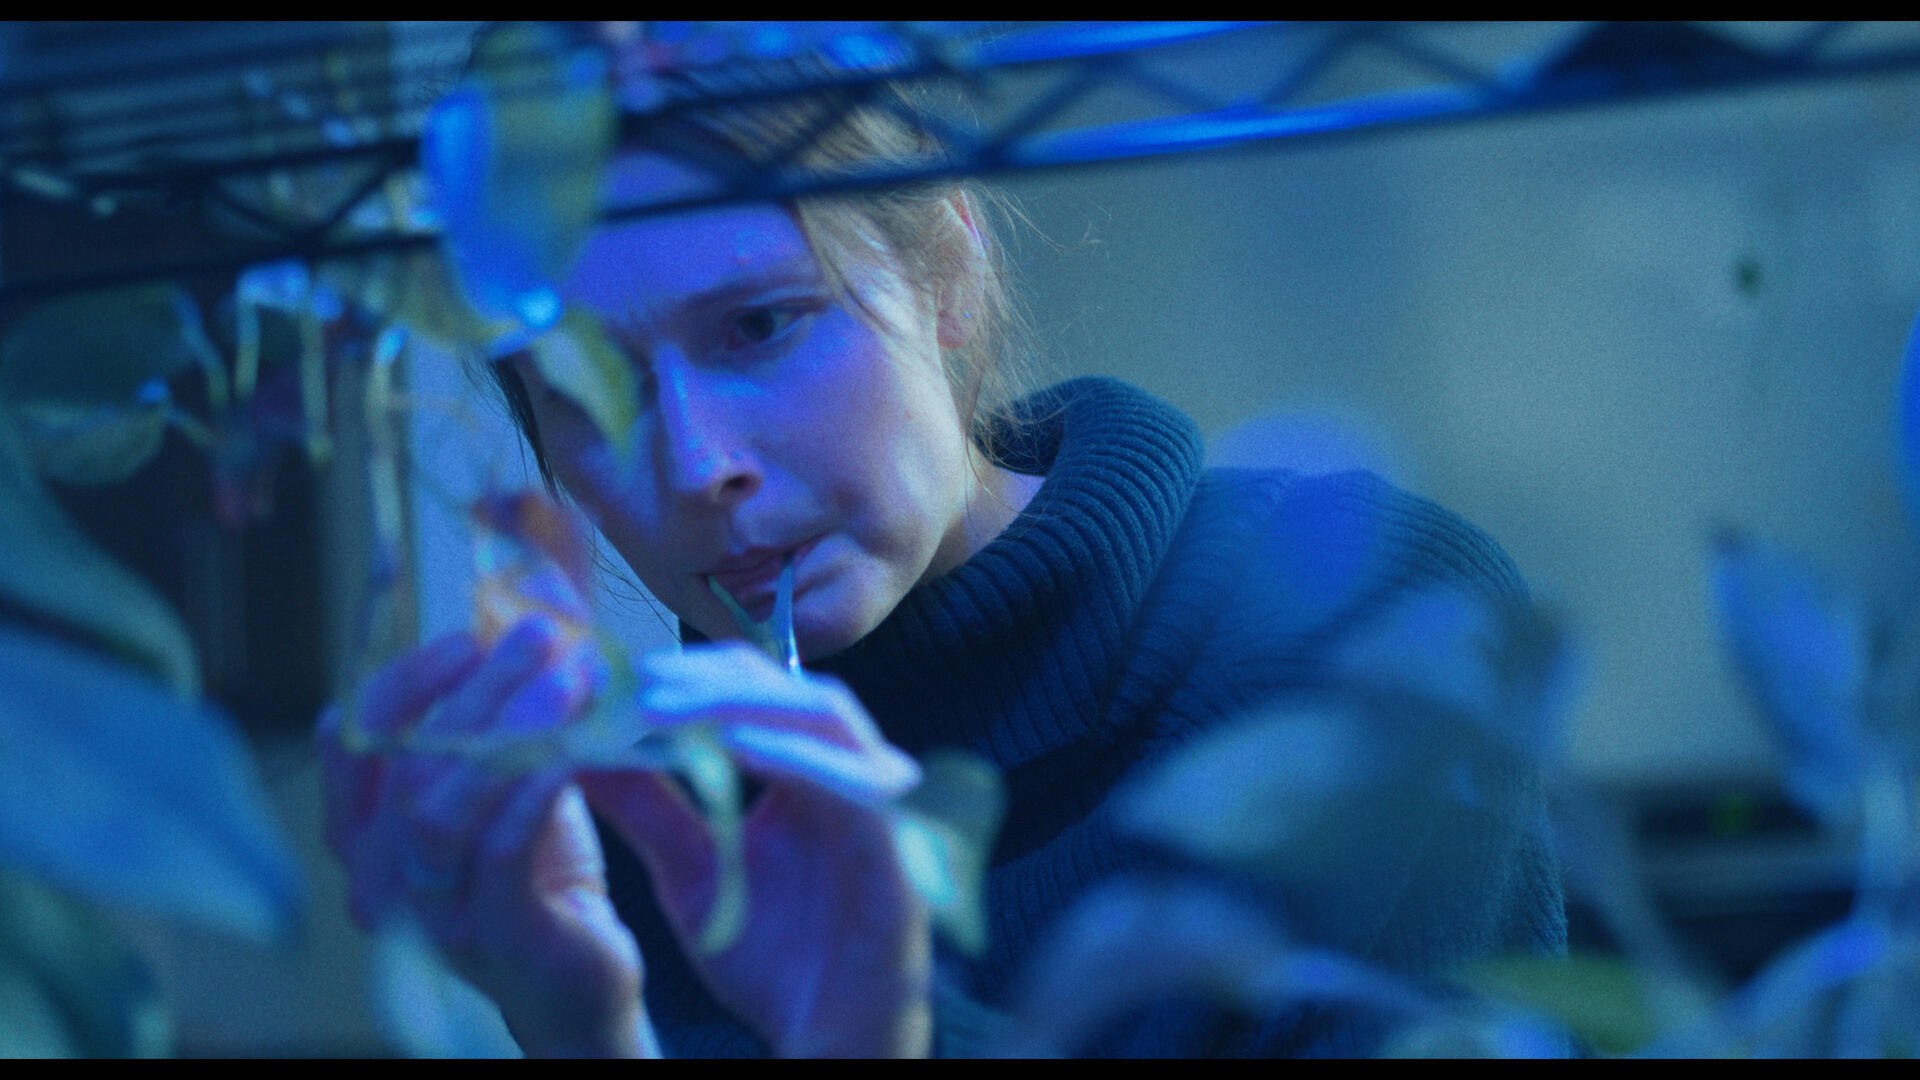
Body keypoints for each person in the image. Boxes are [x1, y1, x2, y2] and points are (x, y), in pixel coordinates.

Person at [319, 34, 1565, 1058]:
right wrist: (584, 1035)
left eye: (761, 325)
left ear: (951, 272)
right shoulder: (645, 844)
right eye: (592, 394)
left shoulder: (1366, 631)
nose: (699, 468)